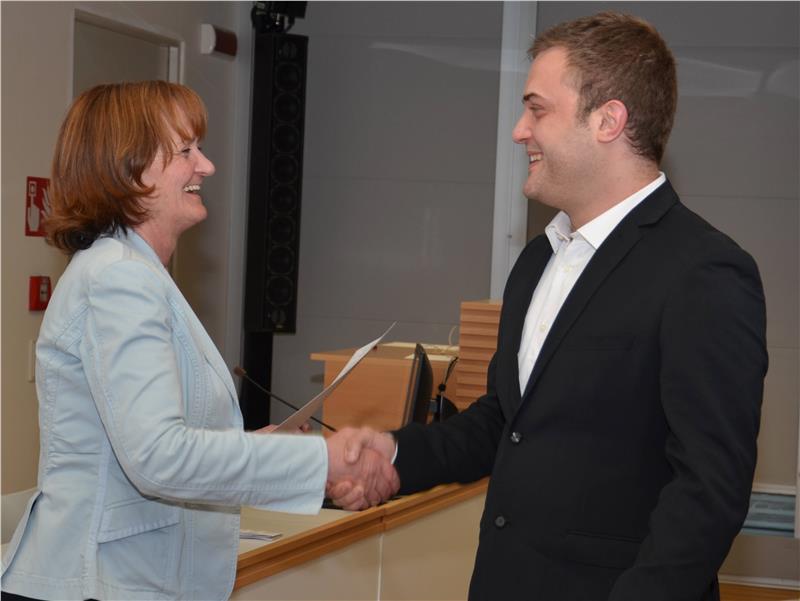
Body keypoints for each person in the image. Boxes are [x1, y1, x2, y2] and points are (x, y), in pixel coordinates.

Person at [330, 12, 768, 601]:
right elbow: (504, 422)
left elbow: (710, 489)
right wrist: (395, 454)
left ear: (608, 120)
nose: (519, 131)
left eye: (537, 110)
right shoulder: (539, 258)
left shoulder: (704, 271)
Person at [0, 81, 397, 601]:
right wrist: (322, 460)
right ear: (127, 169)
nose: (206, 166)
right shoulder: (119, 277)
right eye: (185, 151)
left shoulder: (134, 273)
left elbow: (154, 442)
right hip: (99, 584)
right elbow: (159, 457)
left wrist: (266, 447)